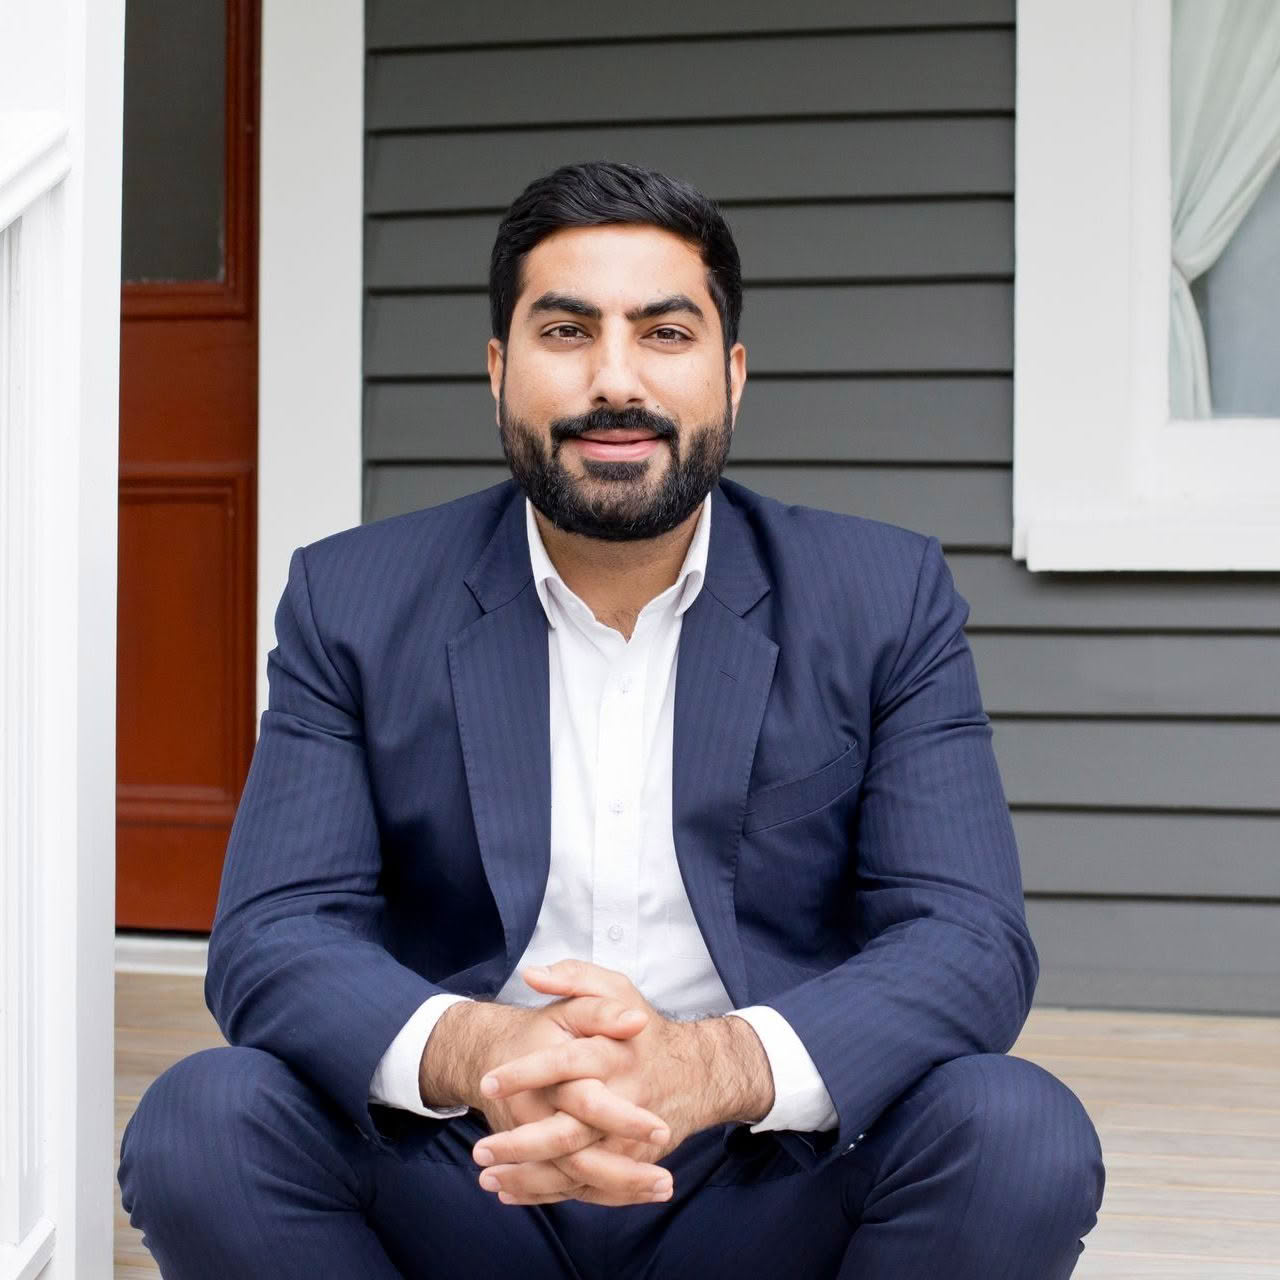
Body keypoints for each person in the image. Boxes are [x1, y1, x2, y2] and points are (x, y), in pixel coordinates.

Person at [118, 160, 1105, 1278]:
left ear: (731, 375)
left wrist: (707, 1067)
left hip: (763, 1175)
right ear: (498, 371)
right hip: (467, 1171)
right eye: (566, 330)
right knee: (206, 1119)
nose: (614, 379)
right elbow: (274, 933)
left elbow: (966, 939)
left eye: (665, 333)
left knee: (1013, 1129)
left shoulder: (881, 598)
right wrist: (491, 1049)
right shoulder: (352, 600)